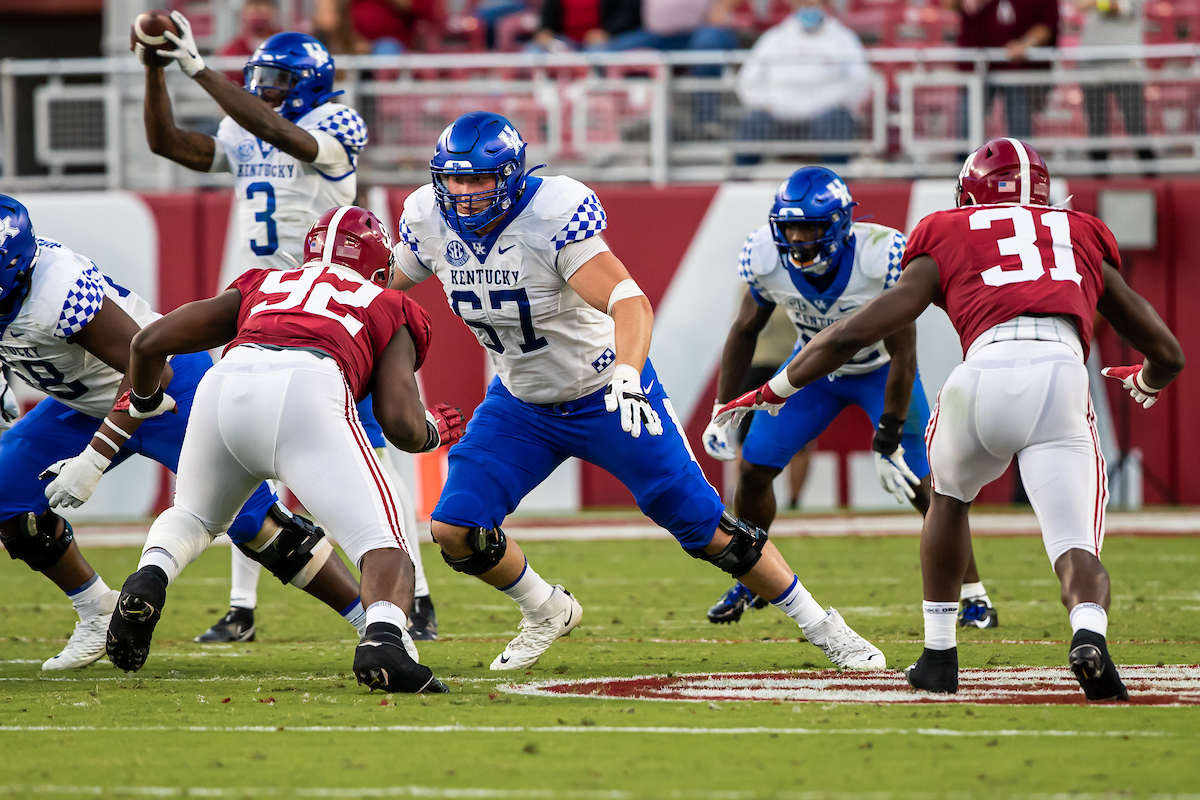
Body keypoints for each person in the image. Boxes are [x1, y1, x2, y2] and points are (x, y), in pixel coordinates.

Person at [391, 111, 886, 672]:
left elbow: (629, 300)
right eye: (453, 179)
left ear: (509, 175)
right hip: (521, 403)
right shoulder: (430, 220)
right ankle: (546, 608)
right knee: (455, 528)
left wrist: (628, 377)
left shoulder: (547, 215)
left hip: (606, 391)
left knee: (707, 530)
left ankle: (822, 626)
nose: (464, 193)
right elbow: (386, 289)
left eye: (478, 180)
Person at [716, 138, 1185, 701]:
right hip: (1061, 378)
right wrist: (1147, 381)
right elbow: (1168, 352)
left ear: (969, 193)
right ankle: (1088, 634)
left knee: (946, 501)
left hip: (979, 375)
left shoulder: (943, 229)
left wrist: (775, 387)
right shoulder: (1079, 231)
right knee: (1075, 544)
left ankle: (939, 655)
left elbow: (858, 332)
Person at [139, 16, 442, 642]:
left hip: (333, 309)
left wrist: (199, 70)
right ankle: (241, 606)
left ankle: (416, 594)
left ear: (310, 85)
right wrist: (154, 70)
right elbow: (171, 144)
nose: (265, 90)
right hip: (263, 300)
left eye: (276, 80)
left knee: (380, 450)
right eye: (259, 81)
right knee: (250, 456)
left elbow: (282, 134)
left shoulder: (335, 120)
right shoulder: (242, 122)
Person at [105, 206, 461, 693]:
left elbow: (148, 342)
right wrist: (434, 430)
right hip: (308, 391)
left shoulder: (265, 283)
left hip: (226, 384)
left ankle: (149, 577)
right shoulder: (389, 303)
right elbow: (399, 424)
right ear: (380, 269)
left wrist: (144, 399)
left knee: (193, 515)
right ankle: (382, 644)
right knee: (384, 544)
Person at [0, 195, 365, 671]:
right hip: (83, 403)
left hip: (168, 386)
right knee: (9, 494)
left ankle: (372, 624)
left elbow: (148, 369)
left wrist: (93, 459)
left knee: (258, 527)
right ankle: (95, 611)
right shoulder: (15, 284)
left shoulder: (58, 288)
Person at [701, 167, 998, 628]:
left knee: (925, 484)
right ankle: (751, 576)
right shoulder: (764, 255)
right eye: (790, 227)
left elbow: (904, 354)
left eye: (810, 228)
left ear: (839, 225)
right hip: (813, 373)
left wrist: (889, 435)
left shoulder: (881, 256)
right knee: (754, 468)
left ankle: (975, 594)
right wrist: (723, 407)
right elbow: (745, 330)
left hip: (880, 371)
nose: (797, 239)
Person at [733, 0, 870, 164]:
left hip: (825, 121)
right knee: (755, 121)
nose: (808, 7)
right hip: (778, 120)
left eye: (813, 3)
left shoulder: (843, 38)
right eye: (804, 3)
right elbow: (748, 79)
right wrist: (766, 104)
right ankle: (739, 182)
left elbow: (861, 81)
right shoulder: (775, 37)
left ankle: (835, 181)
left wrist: (837, 103)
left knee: (839, 121)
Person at [943, 0, 1059, 140]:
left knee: (1020, 134)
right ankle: (967, 161)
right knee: (967, 131)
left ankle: (1018, 161)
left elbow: (1047, 23)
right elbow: (950, 5)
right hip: (977, 68)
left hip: (1018, 71)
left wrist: (1026, 43)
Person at [1077, 0, 1154, 165]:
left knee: (1135, 124)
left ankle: (1151, 173)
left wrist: (1097, 4)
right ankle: (1097, 176)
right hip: (1092, 63)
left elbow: (1128, 9)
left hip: (1125, 64)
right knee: (1096, 127)